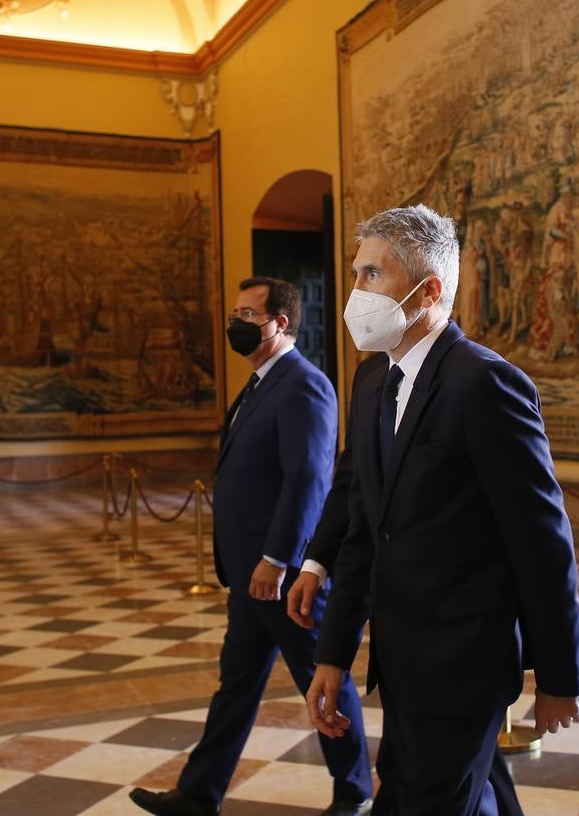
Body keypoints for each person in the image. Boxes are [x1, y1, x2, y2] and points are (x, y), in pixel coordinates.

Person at [306, 204, 579, 814]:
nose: (356, 292)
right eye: (356, 274)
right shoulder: (372, 381)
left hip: (465, 662)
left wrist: (562, 677)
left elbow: (541, 540)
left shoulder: (484, 383)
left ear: (427, 289)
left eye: (372, 275)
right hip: (401, 659)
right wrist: (333, 651)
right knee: (468, 795)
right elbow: (364, 529)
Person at [130, 278, 373, 816]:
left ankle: (354, 791)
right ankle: (198, 793)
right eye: (235, 312)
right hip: (249, 577)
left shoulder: (303, 384)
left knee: (322, 677)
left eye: (247, 314)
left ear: (280, 323)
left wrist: (277, 559)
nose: (235, 324)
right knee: (236, 685)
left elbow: (308, 479)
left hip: (280, 577)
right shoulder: (261, 383)